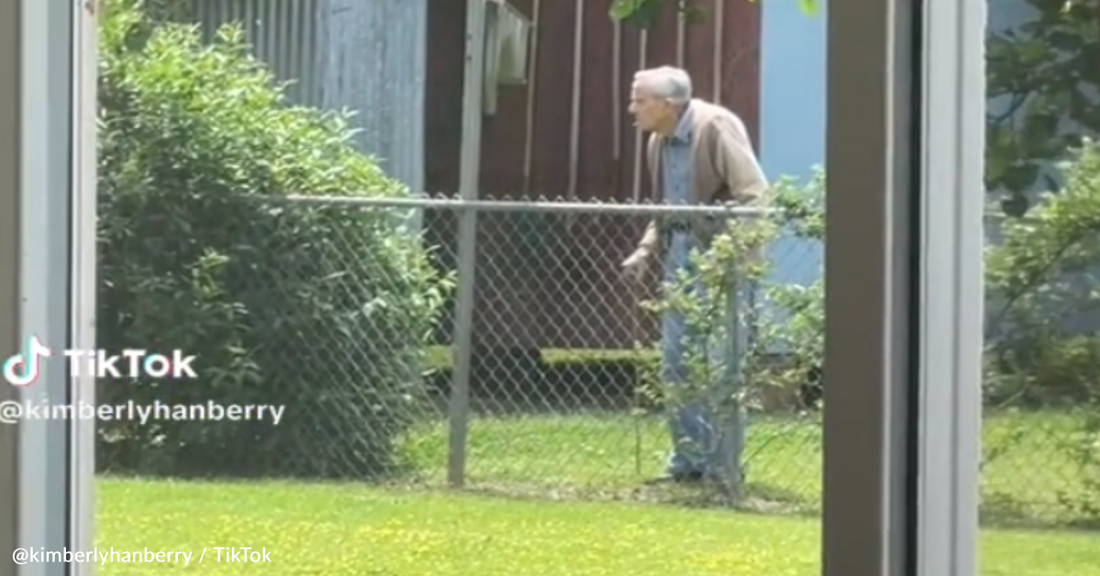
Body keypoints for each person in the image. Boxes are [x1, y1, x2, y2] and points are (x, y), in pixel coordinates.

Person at [621, 66, 768, 484]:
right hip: (679, 256)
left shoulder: (715, 127)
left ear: (668, 105)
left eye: (639, 100)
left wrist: (728, 258)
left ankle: (723, 469)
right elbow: (671, 207)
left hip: (722, 259)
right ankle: (690, 462)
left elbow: (754, 194)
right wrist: (646, 250)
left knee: (723, 365)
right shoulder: (658, 141)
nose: (632, 109)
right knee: (676, 363)